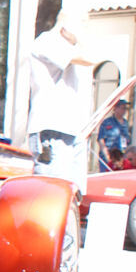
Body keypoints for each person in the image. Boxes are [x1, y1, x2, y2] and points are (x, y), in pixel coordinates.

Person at [26, 10, 100, 192]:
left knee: (71, 193)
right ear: (67, 27)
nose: (86, 30)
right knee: (52, 192)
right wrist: (79, 39)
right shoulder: (47, 42)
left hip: (72, 128)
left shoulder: (68, 48)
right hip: (53, 128)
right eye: (83, 24)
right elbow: (90, 58)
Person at [96, 99, 131, 164]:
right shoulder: (107, 122)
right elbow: (101, 140)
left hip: (121, 157)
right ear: (115, 108)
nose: (124, 110)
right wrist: (107, 156)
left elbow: (127, 140)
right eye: (122, 108)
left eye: (126, 108)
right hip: (109, 157)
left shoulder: (125, 123)